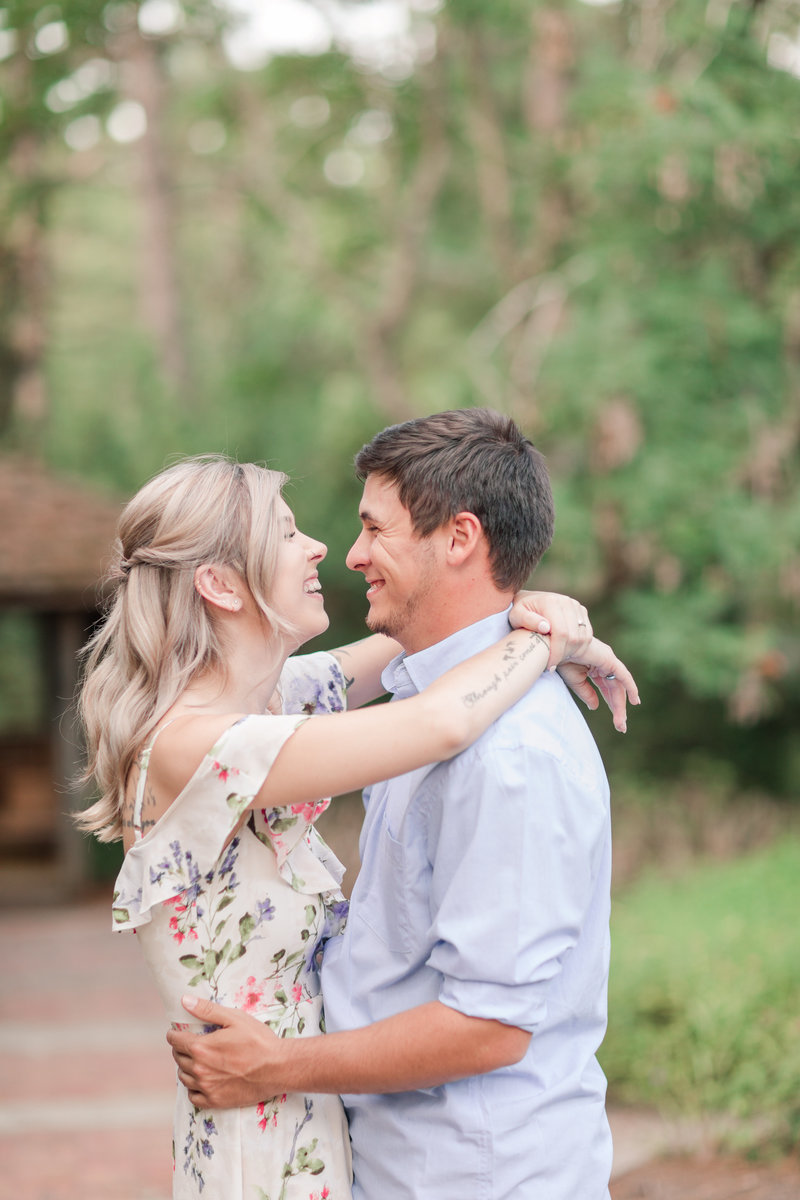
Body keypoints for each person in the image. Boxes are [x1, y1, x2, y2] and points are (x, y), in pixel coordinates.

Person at [77, 452, 636, 1200]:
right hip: (259, 1129)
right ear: (219, 584)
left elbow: (435, 630)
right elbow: (439, 720)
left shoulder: (271, 702)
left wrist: (533, 605)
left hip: (309, 1112)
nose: (322, 548)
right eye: (287, 533)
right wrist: (545, 639)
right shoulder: (195, 744)